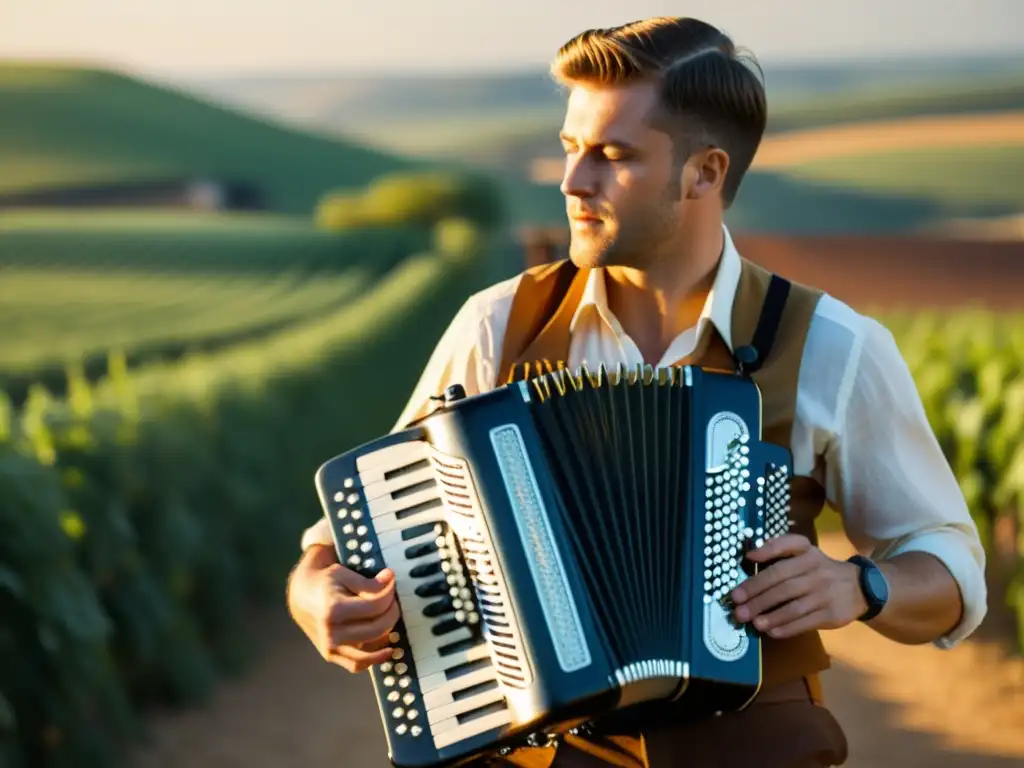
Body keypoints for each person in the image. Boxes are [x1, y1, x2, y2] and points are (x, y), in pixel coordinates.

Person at [286, 17, 987, 768]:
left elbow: (951, 568)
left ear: (705, 172)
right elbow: (334, 549)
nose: (572, 181)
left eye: (611, 156)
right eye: (569, 148)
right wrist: (318, 596)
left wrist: (863, 585)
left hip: (752, 745)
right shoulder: (497, 326)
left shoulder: (833, 346)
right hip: (536, 751)